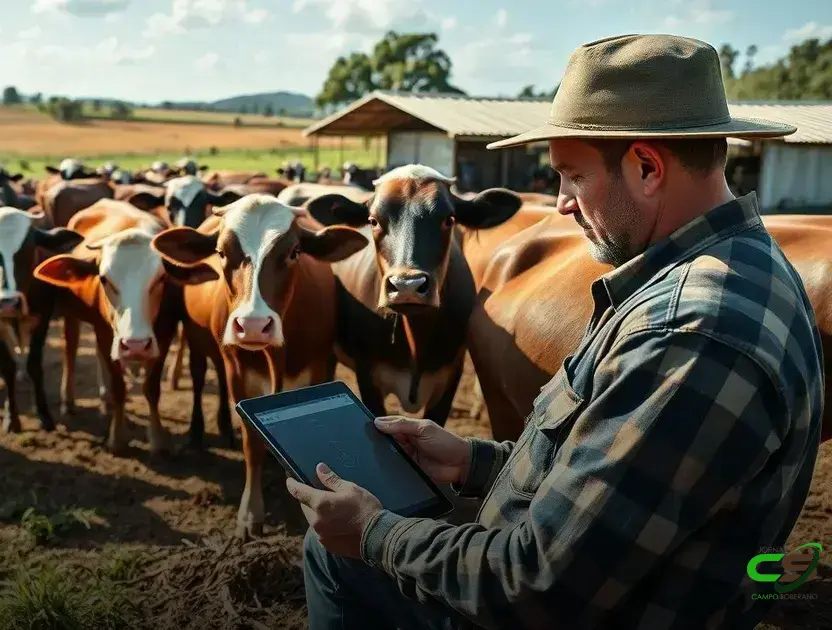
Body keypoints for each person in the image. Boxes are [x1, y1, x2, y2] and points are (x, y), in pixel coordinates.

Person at [287, 34, 824, 630]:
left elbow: (536, 585)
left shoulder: (688, 332)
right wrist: (472, 461)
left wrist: (374, 534)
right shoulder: (749, 265)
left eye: (572, 175)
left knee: (336, 560)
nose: (562, 203)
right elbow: (618, 486)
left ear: (647, 167)